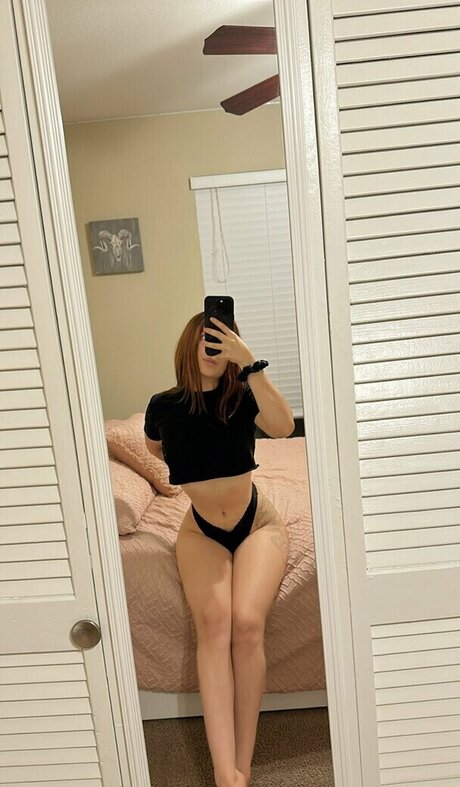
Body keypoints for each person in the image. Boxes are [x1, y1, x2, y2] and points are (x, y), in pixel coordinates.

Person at [144, 311, 294, 787]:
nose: (213, 348)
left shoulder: (243, 396)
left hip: (257, 524)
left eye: (222, 339)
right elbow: (152, 448)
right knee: (213, 626)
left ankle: (239, 770)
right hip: (201, 530)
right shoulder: (163, 406)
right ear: (189, 345)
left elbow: (283, 428)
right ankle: (222, 773)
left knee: (246, 624)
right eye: (206, 339)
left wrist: (251, 365)